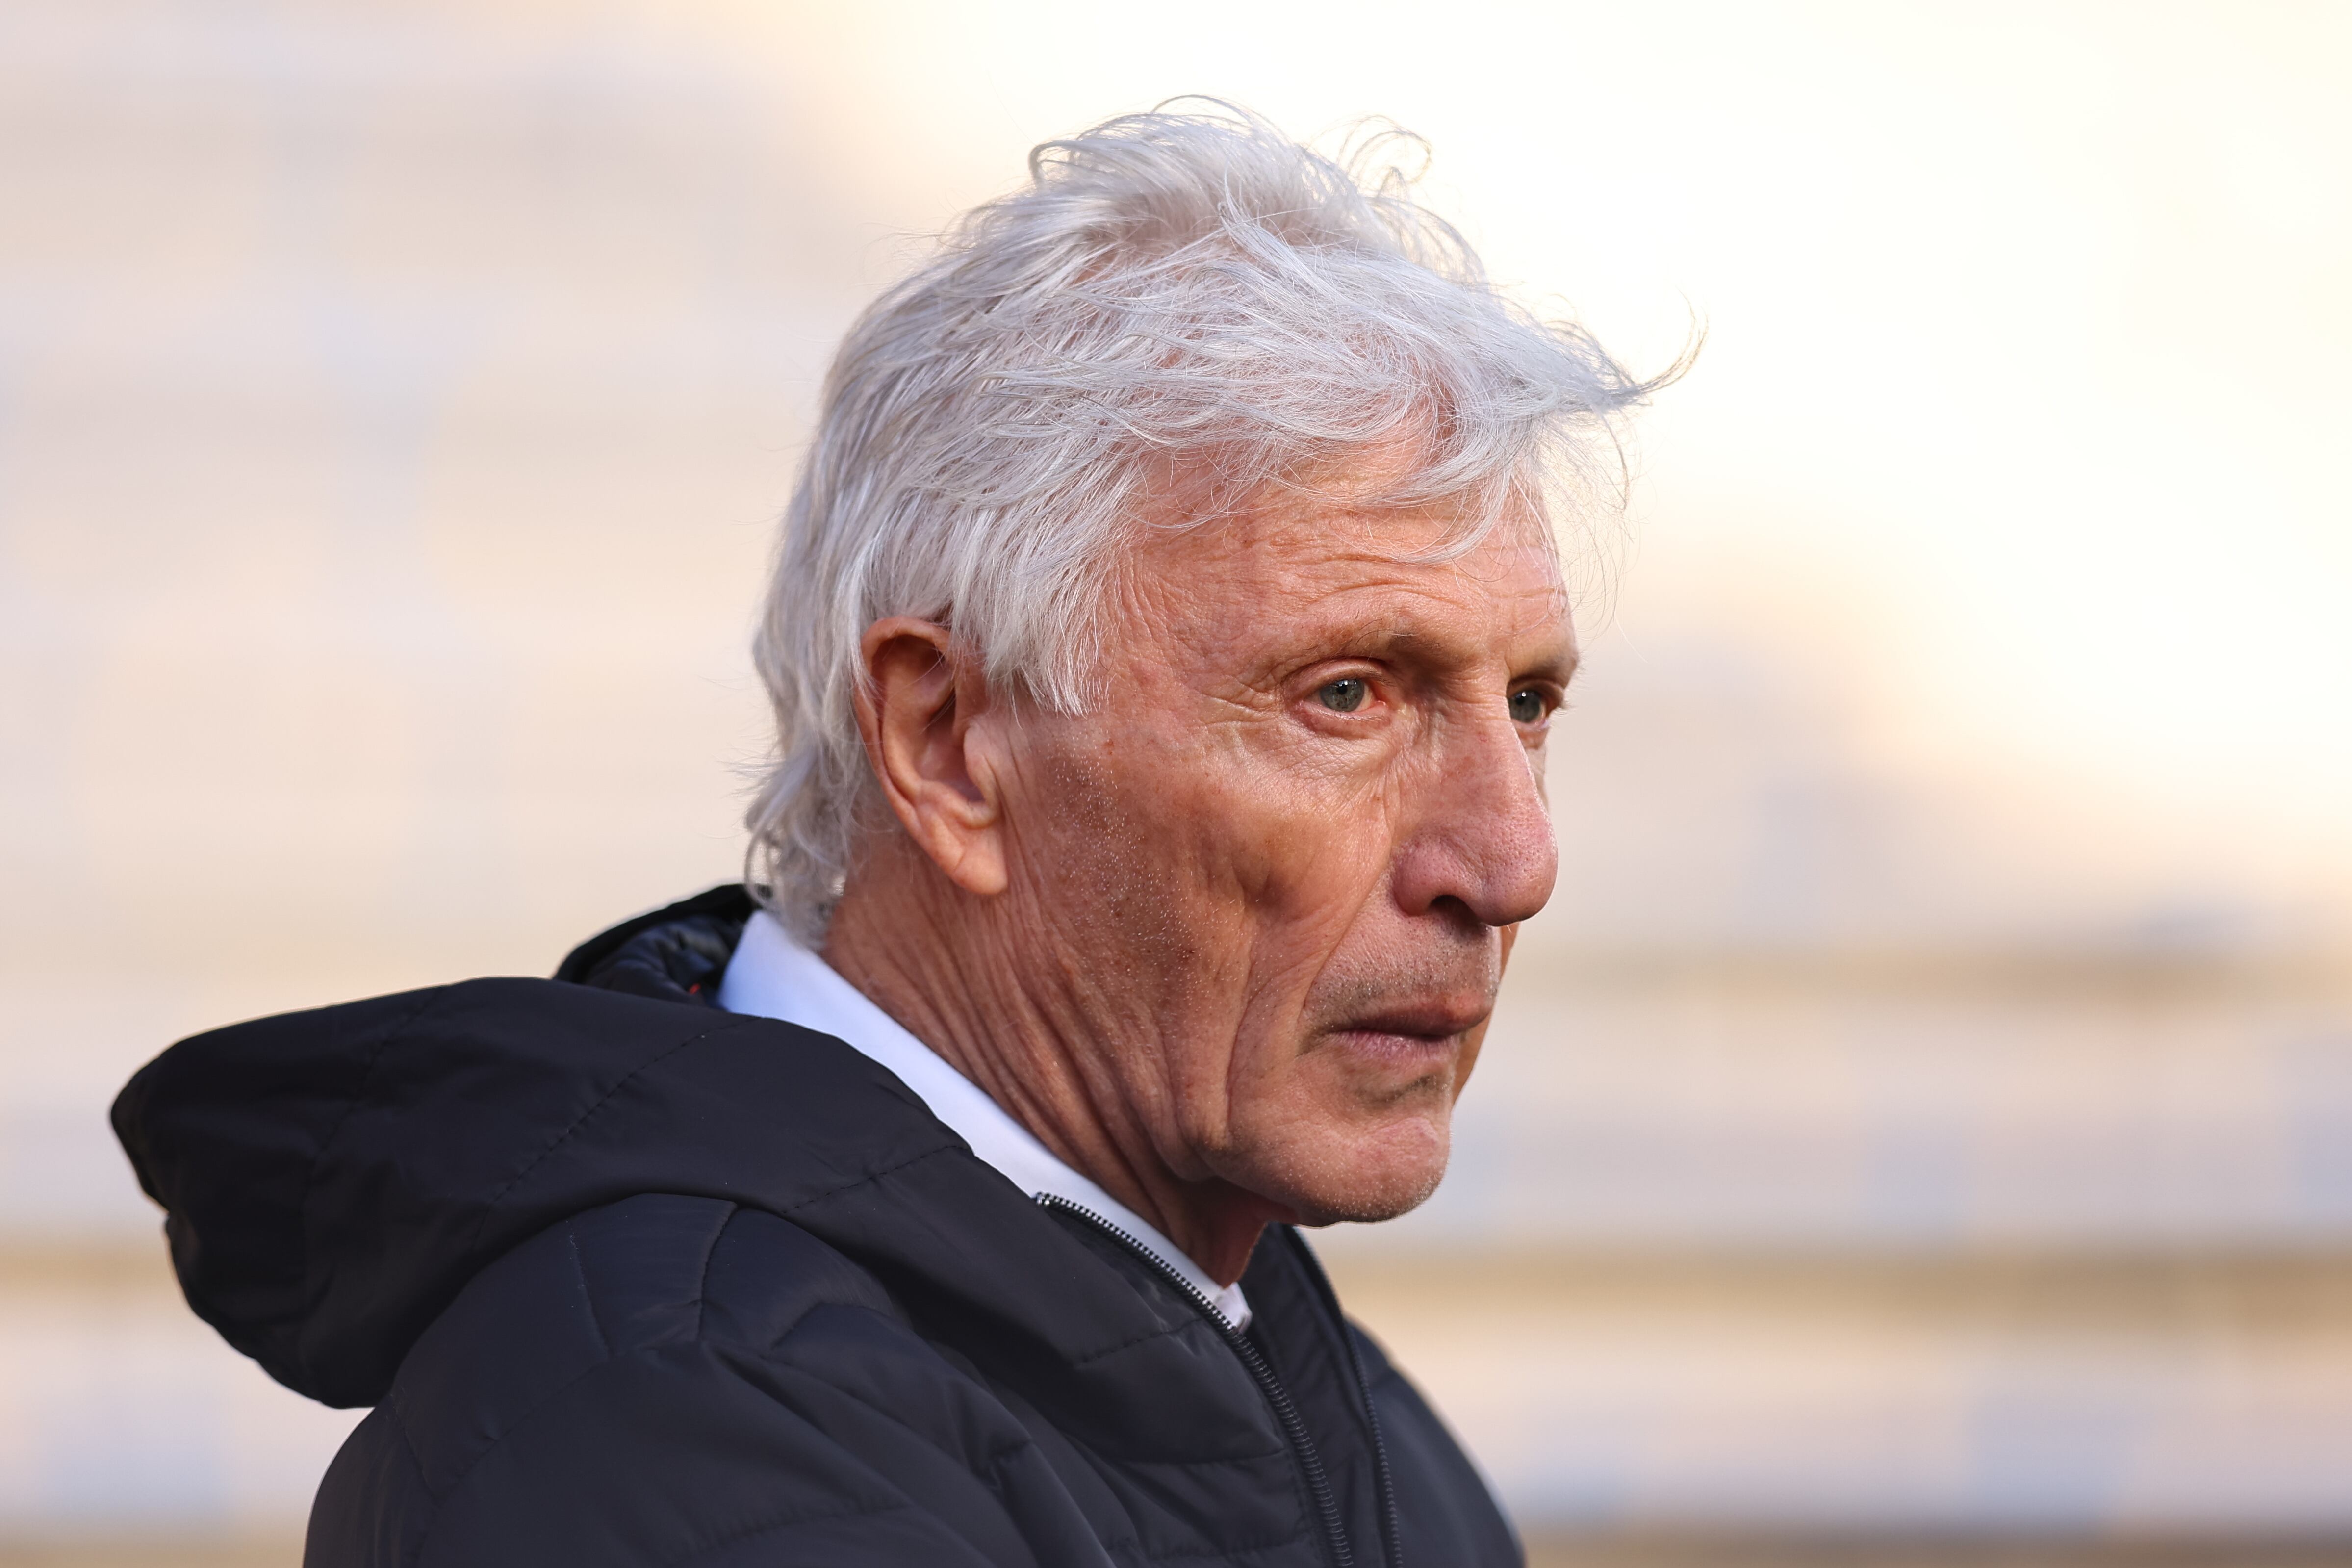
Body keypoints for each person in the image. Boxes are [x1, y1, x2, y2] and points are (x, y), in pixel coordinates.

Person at [113, 103, 1662, 1568]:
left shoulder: (1303, 1381)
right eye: (1345, 695)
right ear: (946, 744)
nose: (1512, 860)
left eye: (1526, 701)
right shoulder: (660, 1432)